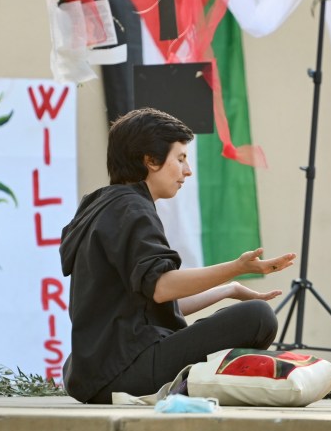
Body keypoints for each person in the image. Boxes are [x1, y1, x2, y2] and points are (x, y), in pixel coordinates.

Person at [60, 108, 296, 404]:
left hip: (94, 372)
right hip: (124, 371)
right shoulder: (132, 209)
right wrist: (236, 268)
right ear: (150, 160)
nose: (188, 170)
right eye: (180, 158)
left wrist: (228, 290)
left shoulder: (102, 205)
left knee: (249, 314)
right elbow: (162, 287)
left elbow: (150, 306)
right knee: (258, 317)